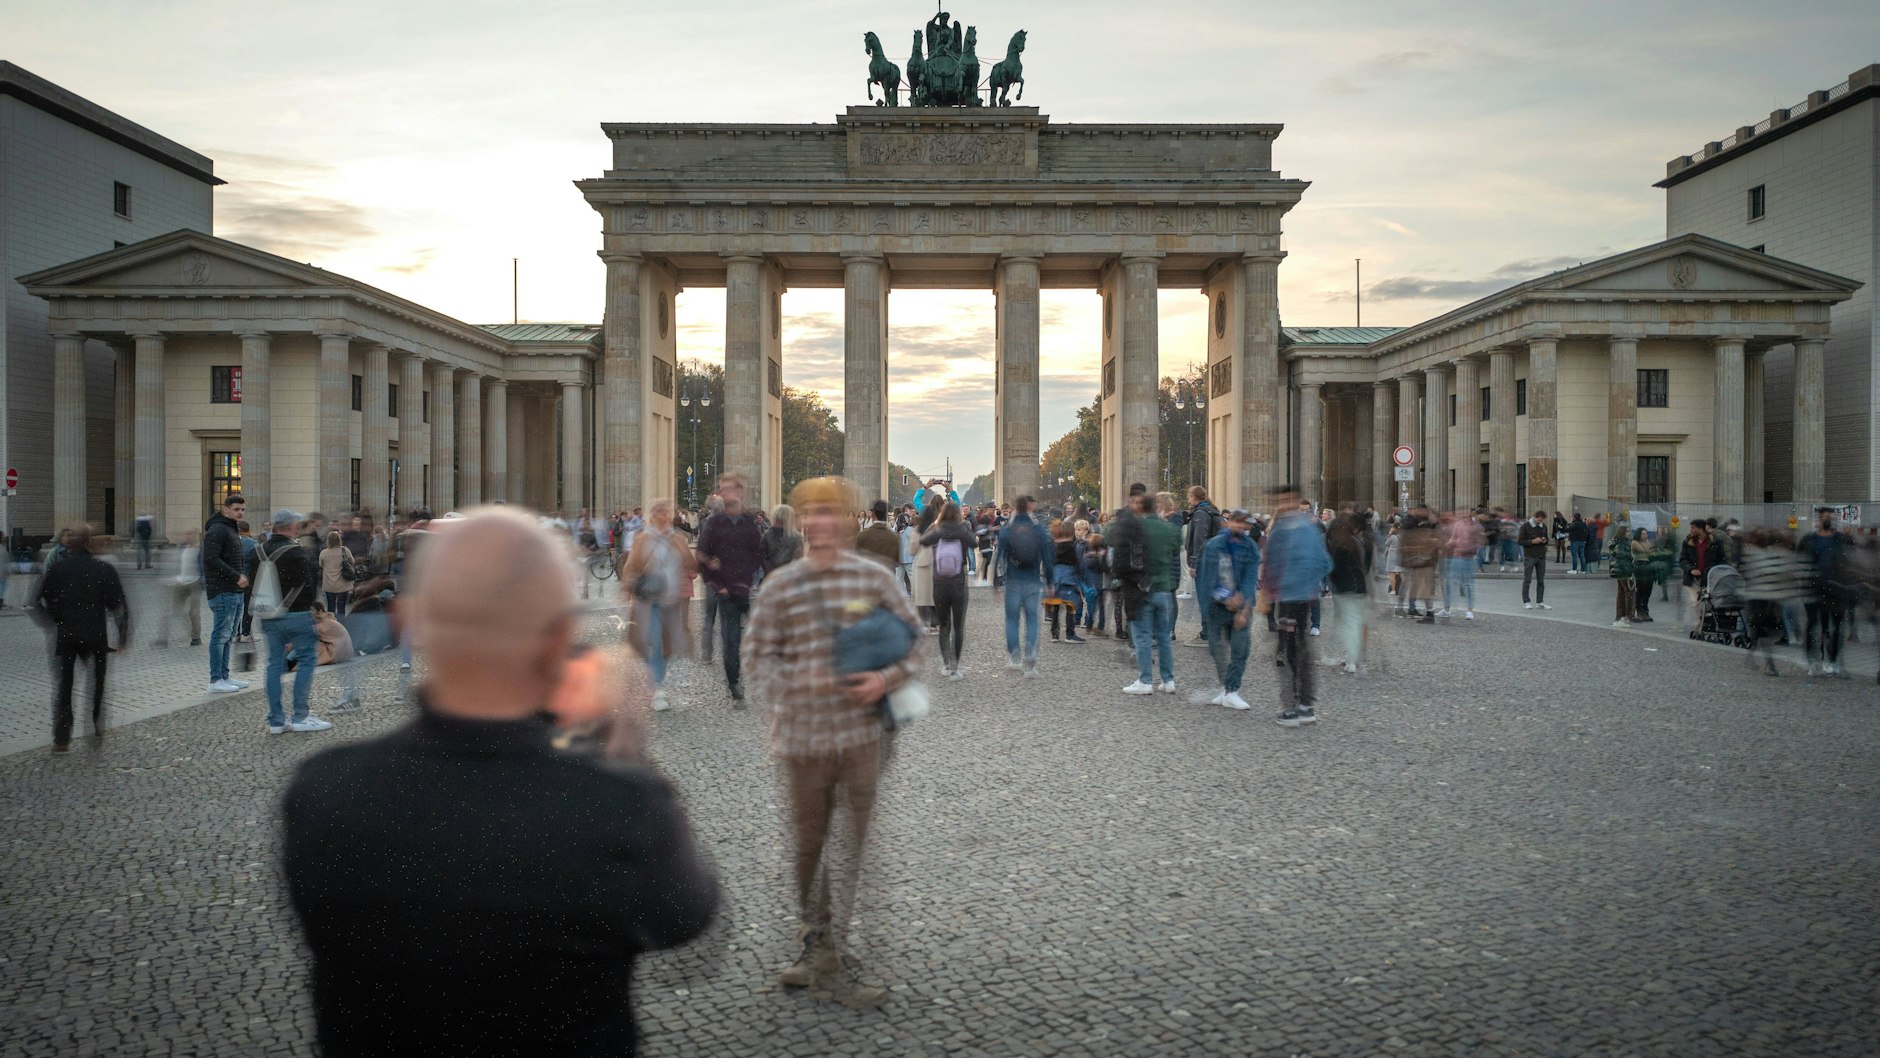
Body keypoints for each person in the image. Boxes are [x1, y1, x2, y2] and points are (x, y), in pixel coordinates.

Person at [283, 507, 717, 1056]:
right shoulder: (615, 805)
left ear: (407, 621)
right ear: (560, 636)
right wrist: (626, 750)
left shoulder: (324, 794)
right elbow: (686, 917)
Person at [740, 477, 925, 1006]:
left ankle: (833, 952)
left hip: (861, 738)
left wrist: (884, 680)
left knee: (850, 850)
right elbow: (757, 661)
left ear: (849, 521)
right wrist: (797, 688)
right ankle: (815, 942)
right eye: (811, 513)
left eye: (831, 512)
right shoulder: (780, 587)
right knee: (807, 846)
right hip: (802, 741)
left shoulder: (875, 580)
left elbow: (914, 645)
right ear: (801, 522)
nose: (820, 522)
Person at [30, 524, 128, 751]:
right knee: (97, 682)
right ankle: (95, 724)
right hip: (95, 634)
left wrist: (52, 621)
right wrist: (122, 636)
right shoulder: (103, 569)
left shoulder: (58, 569)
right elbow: (119, 606)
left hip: (67, 634)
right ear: (88, 543)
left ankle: (62, 736)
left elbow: (36, 601)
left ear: (70, 543)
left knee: (65, 685)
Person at [249, 510, 333, 735]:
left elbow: (251, 586)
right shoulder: (297, 553)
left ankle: (276, 720)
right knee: (306, 661)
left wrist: (247, 623)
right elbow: (308, 586)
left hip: (268, 615)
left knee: (274, 665)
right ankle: (300, 716)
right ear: (291, 527)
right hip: (296, 615)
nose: (298, 528)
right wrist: (314, 614)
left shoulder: (257, 551)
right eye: (297, 525)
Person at [1259, 485, 1333, 727]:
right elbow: (1324, 562)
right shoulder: (1309, 528)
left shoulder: (1282, 529)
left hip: (1289, 597)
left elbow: (1272, 564)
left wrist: (1269, 591)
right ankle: (1305, 705)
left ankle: (1292, 708)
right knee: (1300, 649)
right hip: (1302, 596)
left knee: (1288, 651)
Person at [619, 499, 698, 709]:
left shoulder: (679, 539)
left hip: (672, 599)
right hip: (649, 599)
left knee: (670, 645)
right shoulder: (642, 539)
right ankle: (659, 690)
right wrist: (626, 589)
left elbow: (692, 565)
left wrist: (684, 554)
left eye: (665, 511)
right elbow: (631, 566)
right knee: (653, 641)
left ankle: (661, 677)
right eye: (658, 511)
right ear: (651, 515)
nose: (662, 515)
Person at [697, 476, 766, 700]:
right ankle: (734, 683)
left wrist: (749, 578)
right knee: (731, 639)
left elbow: (757, 553)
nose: (724, 493)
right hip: (724, 590)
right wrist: (715, 580)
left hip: (743, 587)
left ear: (740, 492)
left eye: (729, 489)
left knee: (759, 632)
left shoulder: (749, 520)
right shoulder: (714, 522)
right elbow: (701, 553)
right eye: (722, 490)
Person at [1195, 507, 1260, 709]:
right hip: (1217, 606)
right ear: (1230, 522)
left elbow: (1250, 579)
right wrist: (1226, 598)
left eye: (1246, 524)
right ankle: (1226, 688)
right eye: (1239, 522)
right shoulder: (1213, 546)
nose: (1243, 527)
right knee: (1217, 651)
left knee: (1241, 649)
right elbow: (1207, 578)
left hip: (1240, 605)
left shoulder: (1250, 547)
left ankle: (1232, 690)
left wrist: (1244, 606)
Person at [1122, 492, 1180, 696]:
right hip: (1164, 587)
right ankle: (1168, 680)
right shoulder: (1170, 529)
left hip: (1142, 588)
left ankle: (1145, 680)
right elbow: (1175, 546)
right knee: (1164, 637)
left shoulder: (1138, 528)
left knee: (1143, 637)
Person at [1740, 528, 1811, 676]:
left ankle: (1754, 659)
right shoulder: (1763, 555)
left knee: (1762, 631)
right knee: (1763, 631)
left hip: (1766, 599)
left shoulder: (1766, 555)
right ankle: (1769, 664)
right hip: (1761, 599)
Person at [993, 495, 1051, 676]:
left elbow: (999, 557)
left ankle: (1015, 654)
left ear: (1014, 509)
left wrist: (996, 583)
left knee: (1012, 620)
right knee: (1033, 619)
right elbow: (1048, 557)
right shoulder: (1039, 530)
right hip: (1033, 579)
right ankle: (1031, 651)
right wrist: (1051, 580)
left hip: (1013, 580)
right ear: (1030, 508)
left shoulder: (1007, 530)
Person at [201, 495, 252, 694]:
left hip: (234, 591)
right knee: (221, 635)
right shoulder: (218, 530)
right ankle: (215, 680)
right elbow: (211, 559)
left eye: (242, 509)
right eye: (237, 509)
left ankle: (224, 676)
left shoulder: (230, 529)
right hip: (223, 591)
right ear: (226, 509)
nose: (240, 512)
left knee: (229, 635)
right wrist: (235, 576)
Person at [921, 500, 976, 677]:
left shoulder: (937, 530)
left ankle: (946, 664)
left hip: (939, 583)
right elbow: (974, 544)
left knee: (944, 625)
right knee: (958, 626)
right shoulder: (962, 530)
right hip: (958, 582)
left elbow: (923, 540)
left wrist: (936, 527)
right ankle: (955, 666)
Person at [1321, 511, 1373, 673]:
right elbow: (1365, 565)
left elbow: (1333, 568)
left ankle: (1349, 660)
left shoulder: (1339, 544)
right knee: (1353, 623)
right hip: (1359, 587)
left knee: (1346, 623)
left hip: (1344, 588)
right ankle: (1351, 657)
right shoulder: (1359, 542)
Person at [308, 601, 364, 712]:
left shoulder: (323, 623)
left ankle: (350, 700)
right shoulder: (328, 619)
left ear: (319, 611)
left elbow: (309, 635)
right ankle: (351, 698)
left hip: (338, 651)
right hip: (345, 651)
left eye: (311, 611)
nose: (309, 613)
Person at [154, 529, 203, 648]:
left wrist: (203, 581)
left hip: (195, 584)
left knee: (194, 612)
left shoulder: (200, 551)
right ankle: (163, 639)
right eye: (187, 535)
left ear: (196, 537)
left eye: (191, 535)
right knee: (172, 611)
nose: (189, 537)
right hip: (180, 583)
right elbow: (175, 564)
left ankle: (196, 638)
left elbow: (205, 568)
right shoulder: (182, 549)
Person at [1438, 509, 1483, 620]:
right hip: (1456, 557)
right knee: (1450, 583)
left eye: (1464, 513)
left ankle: (1469, 611)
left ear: (1469, 513)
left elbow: (1479, 543)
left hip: (1468, 558)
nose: (1462, 515)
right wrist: (1445, 546)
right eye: (1460, 513)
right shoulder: (1458, 525)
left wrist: (1465, 549)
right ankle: (1447, 609)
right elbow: (1454, 539)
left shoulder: (1477, 527)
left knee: (1468, 585)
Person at [910, 499, 941, 631]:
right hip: (938, 563)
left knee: (921, 597)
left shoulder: (918, 530)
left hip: (922, 564)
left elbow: (912, 549)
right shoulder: (940, 528)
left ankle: (922, 623)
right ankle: (936, 622)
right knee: (935, 595)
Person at [1518, 510, 1552, 610]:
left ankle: (1540, 602)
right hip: (1530, 556)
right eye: (1539, 519)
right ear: (1535, 517)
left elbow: (1546, 538)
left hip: (1541, 556)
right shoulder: (1525, 526)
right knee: (1527, 580)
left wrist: (1545, 540)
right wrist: (1532, 541)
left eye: (1542, 519)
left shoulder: (1543, 526)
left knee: (1541, 580)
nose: (1540, 521)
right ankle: (1526, 601)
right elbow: (1520, 541)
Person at [318, 531, 357, 617]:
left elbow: (321, 565)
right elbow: (352, 561)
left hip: (329, 585)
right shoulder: (345, 550)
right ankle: (341, 625)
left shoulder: (324, 552)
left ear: (328, 541)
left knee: (330, 608)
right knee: (341, 607)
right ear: (339, 540)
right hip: (342, 584)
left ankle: (331, 625)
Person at [855, 500, 901, 571]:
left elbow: (857, 558)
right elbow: (897, 562)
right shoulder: (894, 537)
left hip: (868, 575)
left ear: (873, 514)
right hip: (887, 577)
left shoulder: (863, 535)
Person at [1607, 521, 1635, 626]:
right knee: (1628, 592)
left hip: (1620, 570)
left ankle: (1620, 615)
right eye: (1627, 531)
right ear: (1622, 532)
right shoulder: (1621, 543)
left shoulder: (1617, 542)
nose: (1629, 533)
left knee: (1622, 592)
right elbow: (1623, 554)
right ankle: (1626, 616)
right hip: (1624, 570)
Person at [764, 504, 805, 574]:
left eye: (780, 520)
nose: (778, 523)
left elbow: (764, 558)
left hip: (784, 576)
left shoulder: (768, 534)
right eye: (777, 520)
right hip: (785, 576)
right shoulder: (767, 534)